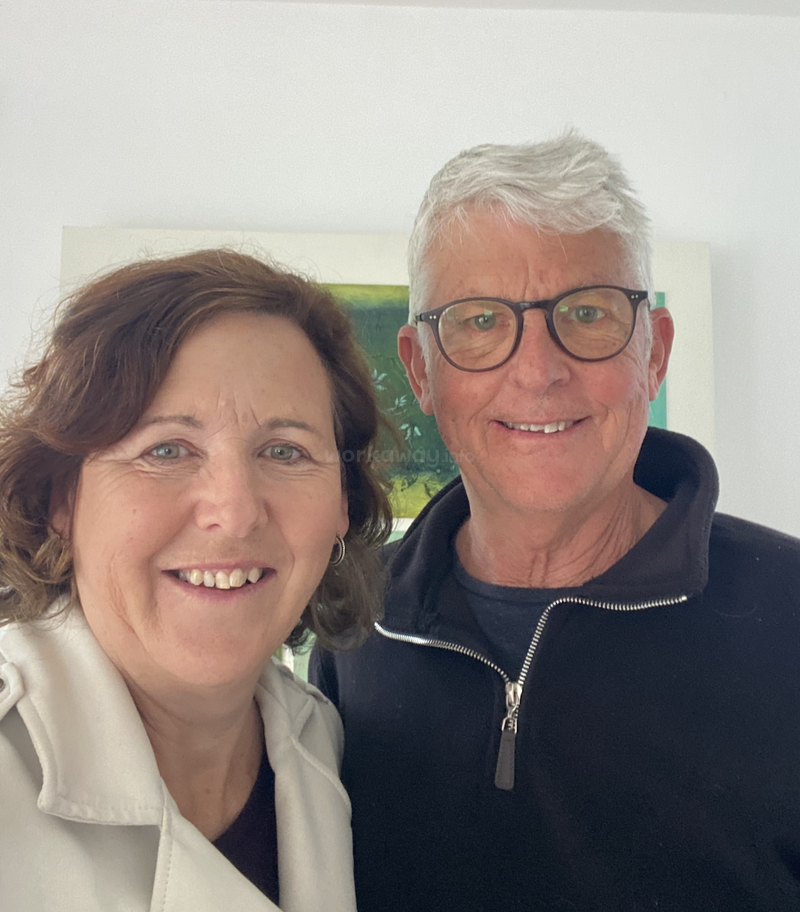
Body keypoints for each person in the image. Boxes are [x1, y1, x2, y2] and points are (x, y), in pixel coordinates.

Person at [311, 132, 800, 911]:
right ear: (419, 369)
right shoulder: (357, 626)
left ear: (654, 352)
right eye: (479, 321)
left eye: (587, 312)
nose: (538, 371)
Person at [0, 249, 391, 912]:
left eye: (285, 451)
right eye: (166, 450)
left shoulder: (321, 741)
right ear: (62, 498)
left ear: (342, 507)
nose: (234, 513)